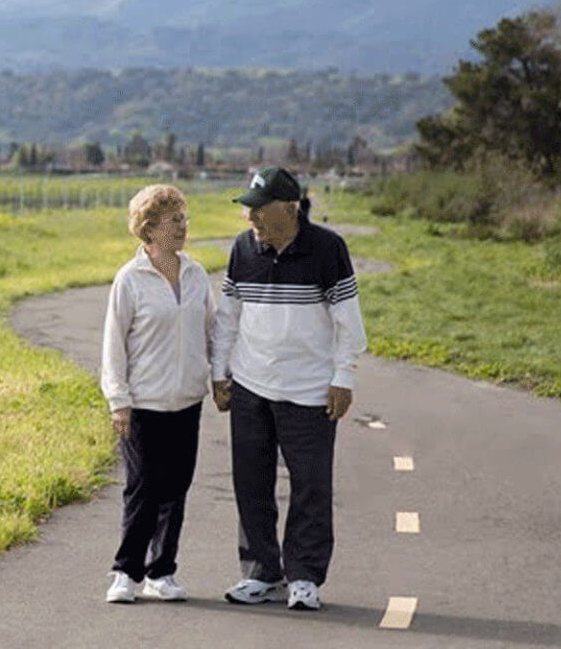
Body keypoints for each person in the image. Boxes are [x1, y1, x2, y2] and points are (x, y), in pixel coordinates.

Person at [211, 167, 366, 611]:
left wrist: (344, 377)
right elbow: (228, 318)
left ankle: (304, 576)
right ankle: (262, 572)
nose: (250, 217)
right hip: (251, 386)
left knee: (311, 485)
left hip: (310, 390)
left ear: (288, 208)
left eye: (258, 209)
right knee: (251, 483)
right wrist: (220, 374)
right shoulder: (243, 249)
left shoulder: (328, 249)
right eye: (248, 208)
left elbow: (348, 324)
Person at [100, 184, 216, 604]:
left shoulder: (196, 274)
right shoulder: (130, 280)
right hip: (143, 404)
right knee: (143, 487)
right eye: (174, 221)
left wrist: (219, 378)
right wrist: (119, 399)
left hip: (187, 400)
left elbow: (213, 332)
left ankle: (161, 571)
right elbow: (114, 345)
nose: (183, 227)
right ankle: (126, 573)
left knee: (176, 487)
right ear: (149, 229)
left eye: (184, 219)